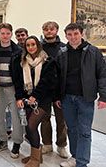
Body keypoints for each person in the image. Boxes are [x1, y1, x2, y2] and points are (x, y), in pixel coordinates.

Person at [56, 23, 106, 167]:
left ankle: (82, 163)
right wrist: (58, 96)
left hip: (85, 98)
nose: (73, 37)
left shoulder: (93, 52)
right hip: (67, 98)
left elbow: (102, 75)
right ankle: (75, 156)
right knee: (72, 129)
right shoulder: (62, 52)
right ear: (66, 35)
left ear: (82, 34)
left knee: (84, 131)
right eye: (69, 34)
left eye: (76, 34)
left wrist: (103, 97)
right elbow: (58, 76)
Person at [13, 36, 58, 167]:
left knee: (31, 126)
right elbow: (19, 82)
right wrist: (19, 97)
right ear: (25, 48)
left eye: (33, 44)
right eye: (28, 45)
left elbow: (47, 82)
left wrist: (35, 96)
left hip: (42, 100)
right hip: (27, 100)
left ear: (38, 45)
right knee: (29, 128)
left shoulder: (47, 61)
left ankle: (36, 160)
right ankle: (36, 156)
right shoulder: (22, 62)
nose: (31, 47)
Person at [0, 23, 23, 159]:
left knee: (16, 118)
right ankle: (3, 140)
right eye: (2, 33)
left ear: (11, 34)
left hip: (13, 88)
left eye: (7, 33)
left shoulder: (18, 51)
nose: (5, 36)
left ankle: (16, 143)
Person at [40, 21, 68, 158]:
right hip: (44, 90)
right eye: (46, 29)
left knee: (61, 120)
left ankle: (61, 145)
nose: (49, 31)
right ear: (43, 31)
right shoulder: (38, 48)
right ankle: (47, 144)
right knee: (44, 118)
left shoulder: (64, 48)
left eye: (52, 29)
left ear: (57, 30)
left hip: (60, 90)